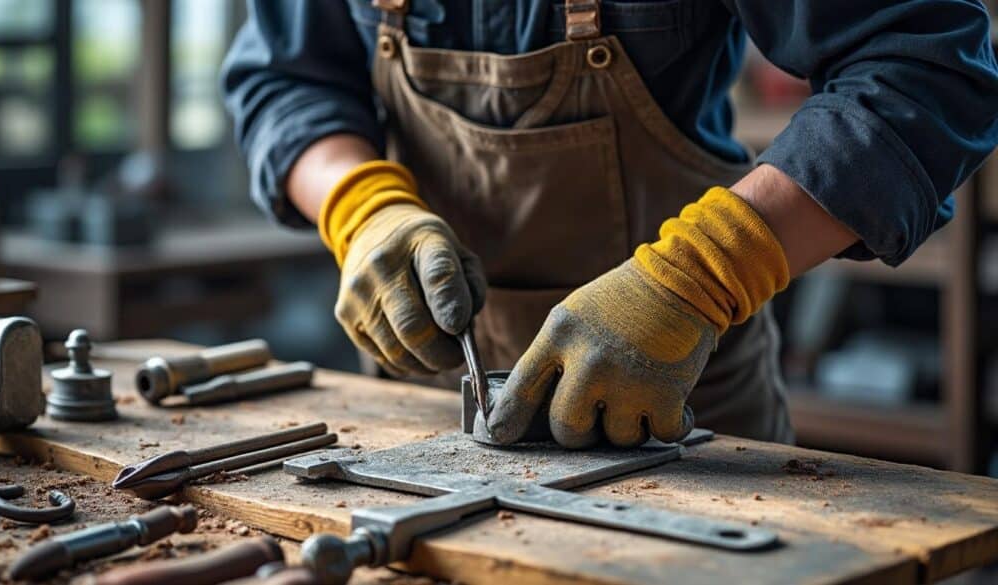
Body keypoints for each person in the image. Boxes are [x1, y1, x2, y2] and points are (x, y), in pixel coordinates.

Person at [223, 0, 998, 448]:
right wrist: (359, 205)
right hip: (423, 413)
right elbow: (286, 77)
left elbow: (924, 68)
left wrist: (704, 273)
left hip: (680, 414)